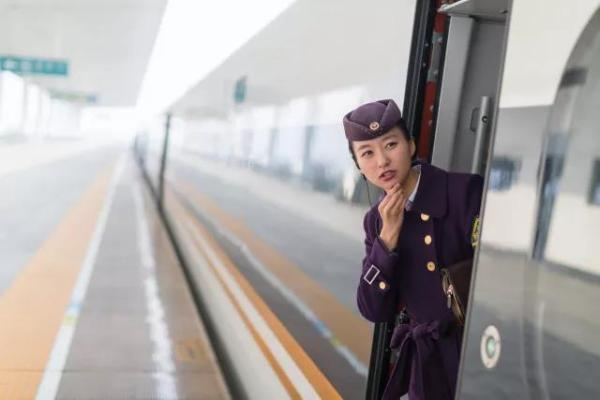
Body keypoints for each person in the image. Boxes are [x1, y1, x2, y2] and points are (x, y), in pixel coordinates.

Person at [342, 99, 483, 400]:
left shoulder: (464, 192)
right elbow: (373, 309)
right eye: (367, 153)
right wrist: (387, 238)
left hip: (474, 356)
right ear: (359, 167)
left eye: (391, 145)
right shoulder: (375, 222)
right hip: (429, 369)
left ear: (411, 145)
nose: (382, 161)